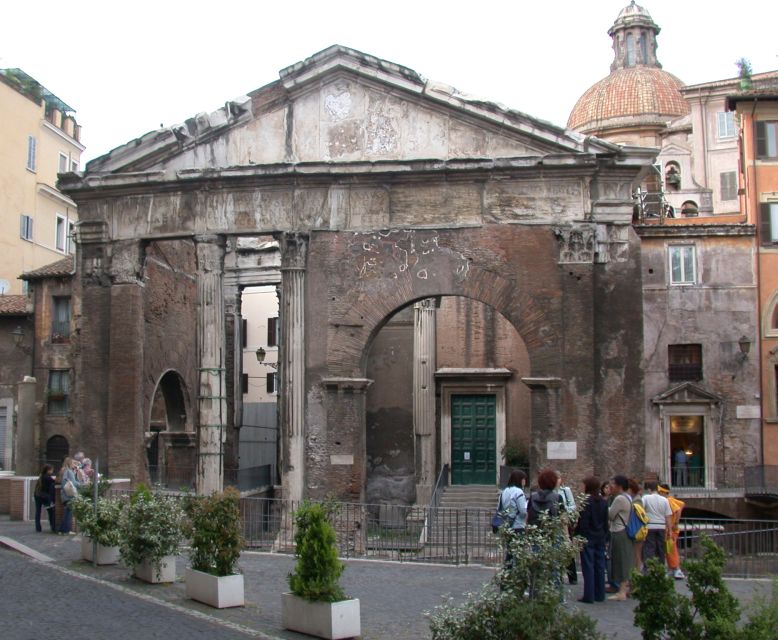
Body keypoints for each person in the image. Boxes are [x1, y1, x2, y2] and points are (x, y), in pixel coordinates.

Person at [575, 476, 608, 603]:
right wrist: (605, 536)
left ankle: (589, 595)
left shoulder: (586, 502)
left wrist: (578, 535)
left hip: (588, 536)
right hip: (600, 535)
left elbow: (583, 522)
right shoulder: (603, 502)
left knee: (588, 566)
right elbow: (605, 521)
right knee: (600, 566)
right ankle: (600, 594)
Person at [607, 475, 634, 601]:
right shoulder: (627, 497)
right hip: (624, 531)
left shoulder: (619, 499)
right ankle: (626, 589)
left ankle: (622, 591)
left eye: (613, 484)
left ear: (619, 486)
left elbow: (611, 515)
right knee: (625, 560)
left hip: (619, 531)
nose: (610, 486)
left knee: (621, 561)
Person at [499, 469, 528, 570]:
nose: (525, 481)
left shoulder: (504, 491)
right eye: (524, 479)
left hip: (507, 524)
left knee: (510, 552)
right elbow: (523, 510)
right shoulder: (519, 492)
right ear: (519, 479)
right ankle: (517, 576)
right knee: (519, 553)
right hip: (518, 525)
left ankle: (507, 575)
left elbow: (500, 508)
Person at [641, 480, 673, 567]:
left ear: (649, 489)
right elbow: (668, 516)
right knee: (660, 548)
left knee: (649, 548)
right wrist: (669, 530)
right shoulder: (665, 500)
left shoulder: (645, 498)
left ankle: (649, 567)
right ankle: (660, 567)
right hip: (661, 527)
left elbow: (641, 511)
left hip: (650, 526)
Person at [659, 483, 685, 579]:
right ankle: (673, 569)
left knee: (671, 550)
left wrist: (675, 523)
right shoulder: (669, 500)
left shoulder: (668, 500)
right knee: (669, 549)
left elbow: (678, 510)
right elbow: (681, 506)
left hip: (671, 530)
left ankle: (677, 569)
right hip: (671, 529)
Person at [557, 472, 578, 585]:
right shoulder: (552, 491)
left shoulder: (566, 490)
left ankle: (572, 576)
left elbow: (572, 505)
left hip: (565, 522)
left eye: (559, 478)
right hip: (555, 522)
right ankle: (558, 575)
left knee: (567, 547)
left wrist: (564, 510)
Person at [57, 457, 80, 535]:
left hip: (65, 495)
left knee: (67, 512)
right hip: (69, 495)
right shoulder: (69, 471)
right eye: (73, 463)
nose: (75, 465)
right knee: (68, 513)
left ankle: (62, 530)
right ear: (69, 463)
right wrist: (82, 485)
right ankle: (65, 530)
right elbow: (73, 482)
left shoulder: (65, 471)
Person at [628, 478, 645, 573]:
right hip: (637, 530)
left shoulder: (637, 500)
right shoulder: (636, 499)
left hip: (636, 531)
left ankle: (636, 576)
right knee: (636, 555)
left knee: (636, 555)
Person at [34, 464, 56, 533]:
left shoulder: (41, 476)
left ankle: (38, 528)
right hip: (44, 496)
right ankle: (52, 526)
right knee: (50, 511)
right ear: (48, 470)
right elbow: (55, 482)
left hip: (37, 495)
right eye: (52, 470)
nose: (52, 471)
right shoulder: (48, 478)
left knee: (38, 511)